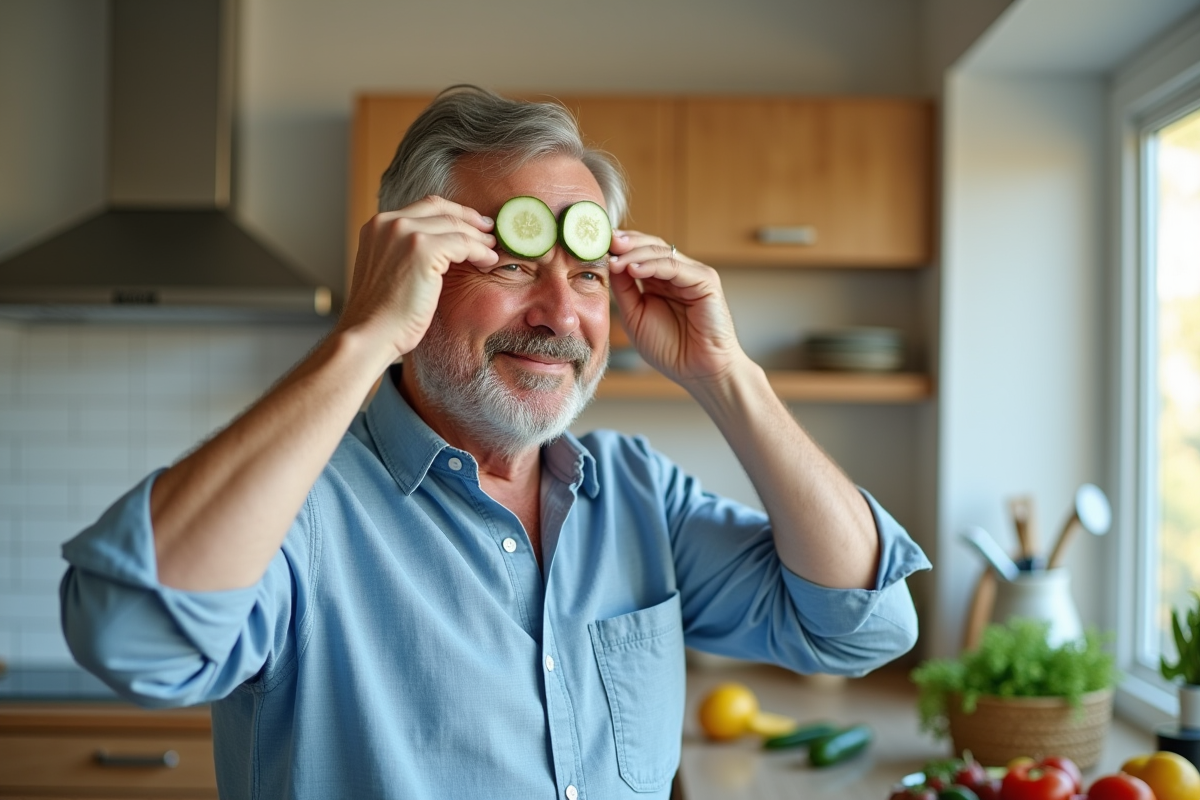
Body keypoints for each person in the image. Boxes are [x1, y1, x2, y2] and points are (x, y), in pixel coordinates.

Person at [60, 85, 930, 800]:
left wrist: (727, 374)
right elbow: (133, 641)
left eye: (585, 275)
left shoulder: (636, 493)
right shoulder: (304, 506)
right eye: (512, 263)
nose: (559, 314)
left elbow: (864, 625)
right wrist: (364, 336)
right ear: (411, 272)